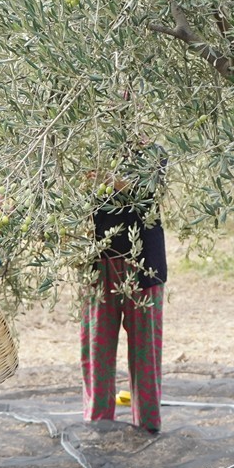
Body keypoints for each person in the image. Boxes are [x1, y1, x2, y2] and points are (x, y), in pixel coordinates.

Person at [82, 139, 168, 433]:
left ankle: (148, 424)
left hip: (144, 262)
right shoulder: (84, 144)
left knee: (146, 350)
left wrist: (112, 181)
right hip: (98, 262)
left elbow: (149, 192)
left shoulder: (154, 153)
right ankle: (98, 424)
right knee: (98, 350)